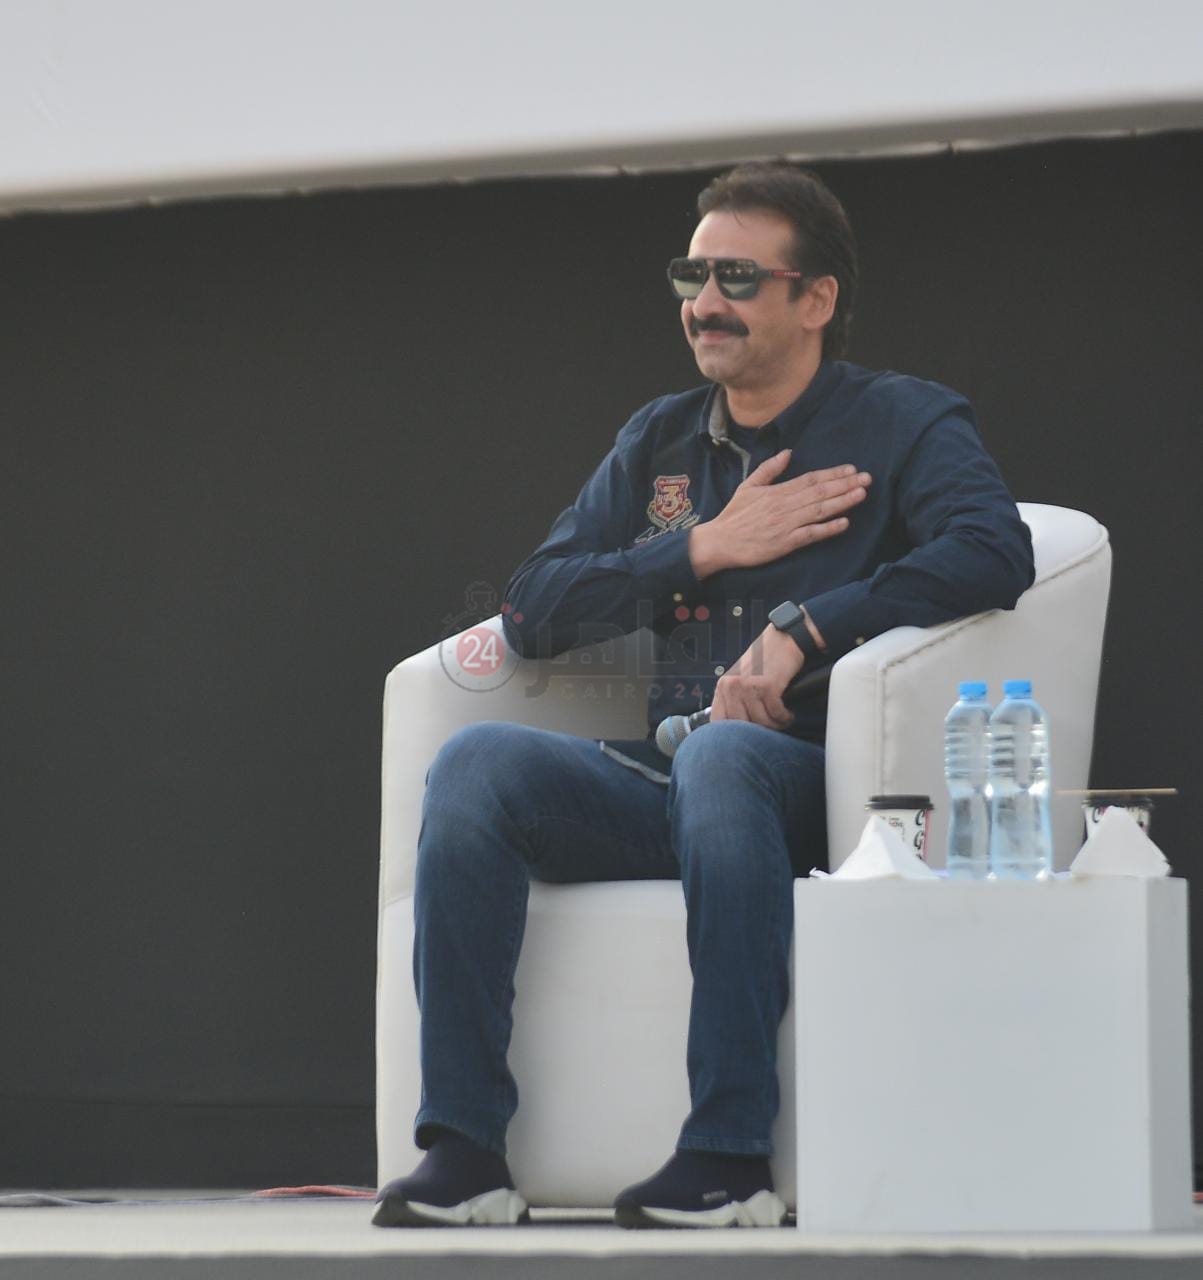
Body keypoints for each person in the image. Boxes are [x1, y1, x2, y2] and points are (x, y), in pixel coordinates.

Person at [373, 163, 1035, 1230]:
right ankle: (465, 1152)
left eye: (738, 277)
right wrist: (701, 548)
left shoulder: (903, 419)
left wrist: (807, 628)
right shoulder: (661, 439)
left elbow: (993, 550)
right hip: (666, 778)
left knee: (726, 760)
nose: (704, 301)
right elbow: (534, 608)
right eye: (693, 274)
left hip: (816, 780)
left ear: (815, 299)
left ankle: (728, 1156)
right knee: (478, 762)